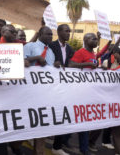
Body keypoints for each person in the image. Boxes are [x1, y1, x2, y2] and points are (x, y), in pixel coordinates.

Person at [69, 32, 111, 155]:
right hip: (80, 92)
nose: (96, 41)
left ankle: (82, 147)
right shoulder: (80, 52)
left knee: (84, 121)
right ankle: (80, 147)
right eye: (93, 39)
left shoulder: (92, 53)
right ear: (86, 40)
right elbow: (71, 65)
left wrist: (99, 69)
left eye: (96, 39)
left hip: (89, 92)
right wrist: (87, 64)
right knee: (80, 120)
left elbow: (91, 68)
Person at [23, 26, 55, 155]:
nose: (50, 37)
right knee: (24, 124)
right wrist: (35, 58)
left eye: (51, 35)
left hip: (44, 94)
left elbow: (50, 71)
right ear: (40, 34)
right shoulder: (30, 46)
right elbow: (21, 61)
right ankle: (16, 147)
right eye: (48, 34)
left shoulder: (51, 52)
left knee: (41, 126)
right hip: (27, 92)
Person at [49, 24, 73, 155]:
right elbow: (45, 62)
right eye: (66, 31)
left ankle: (57, 147)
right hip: (51, 87)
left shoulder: (70, 48)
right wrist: (53, 65)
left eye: (70, 31)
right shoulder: (51, 46)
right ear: (58, 32)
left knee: (62, 115)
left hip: (64, 87)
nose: (69, 33)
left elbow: (72, 63)